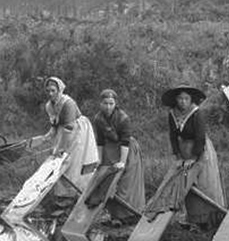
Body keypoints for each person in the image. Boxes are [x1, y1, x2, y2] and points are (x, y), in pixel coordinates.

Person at [141, 86, 226, 232]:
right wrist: (178, 156)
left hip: (200, 152)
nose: (183, 102)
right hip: (183, 150)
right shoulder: (172, 114)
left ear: (191, 100)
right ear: (176, 100)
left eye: (186, 98)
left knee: (202, 185)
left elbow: (200, 137)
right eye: (180, 98)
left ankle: (206, 222)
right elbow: (173, 136)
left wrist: (193, 157)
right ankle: (193, 219)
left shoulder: (196, 113)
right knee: (184, 184)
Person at [33, 77, 100, 211]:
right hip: (63, 131)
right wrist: (46, 138)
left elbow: (69, 128)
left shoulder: (67, 103)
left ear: (59, 90)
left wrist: (61, 148)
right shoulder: (49, 105)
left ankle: (76, 195)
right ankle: (63, 197)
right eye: (48, 91)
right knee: (59, 161)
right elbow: (55, 125)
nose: (50, 93)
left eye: (53, 90)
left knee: (71, 161)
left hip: (77, 131)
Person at [87, 89, 145, 226]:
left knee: (126, 183)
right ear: (100, 104)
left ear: (115, 104)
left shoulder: (123, 118)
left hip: (126, 151)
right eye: (105, 103)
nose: (108, 107)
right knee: (108, 181)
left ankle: (130, 215)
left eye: (111, 103)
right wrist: (100, 159)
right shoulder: (98, 119)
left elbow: (125, 141)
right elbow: (100, 140)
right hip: (109, 150)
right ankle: (115, 216)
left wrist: (122, 162)